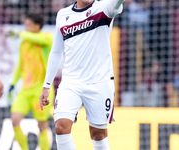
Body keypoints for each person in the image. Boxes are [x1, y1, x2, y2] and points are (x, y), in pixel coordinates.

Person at [39, 0, 125, 149]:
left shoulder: (104, 8)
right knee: (60, 127)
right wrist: (46, 85)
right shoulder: (63, 14)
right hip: (70, 83)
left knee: (98, 134)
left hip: (100, 82)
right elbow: (56, 51)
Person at [7, 13, 54, 150]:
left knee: (42, 124)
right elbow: (20, 65)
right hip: (25, 90)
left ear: (37, 26)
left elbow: (38, 39)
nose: (25, 27)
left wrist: (19, 34)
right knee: (15, 120)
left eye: (28, 25)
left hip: (41, 90)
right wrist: (13, 83)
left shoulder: (47, 38)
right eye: (25, 24)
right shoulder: (25, 42)